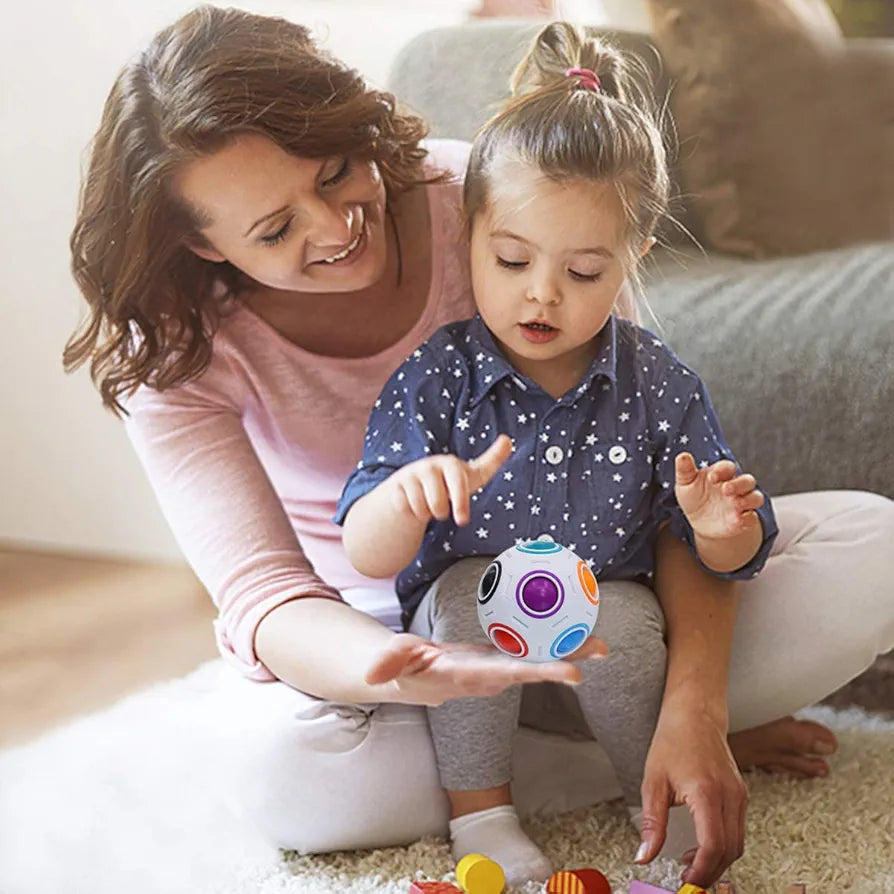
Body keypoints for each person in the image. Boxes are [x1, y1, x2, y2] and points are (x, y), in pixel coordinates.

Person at [63, 5, 894, 889]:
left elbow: (660, 491)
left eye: (338, 171)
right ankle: (567, 764)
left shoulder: (504, 203)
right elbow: (269, 598)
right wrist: (393, 669)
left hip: (606, 593)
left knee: (871, 546)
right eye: (275, 231)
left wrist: (696, 702)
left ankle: (636, 737)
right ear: (201, 243)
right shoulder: (175, 354)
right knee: (296, 778)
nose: (337, 226)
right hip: (386, 625)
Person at [334, 24, 779, 886]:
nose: (541, 292)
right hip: (469, 643)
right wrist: (409, 495)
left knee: (635, 627)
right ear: (470, 238)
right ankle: (484, 811)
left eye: (582, 272)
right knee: (464, 602)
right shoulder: (439, 375)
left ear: (631, 261)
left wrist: (720, 528)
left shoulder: (657, 381)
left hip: (602, 624)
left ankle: (645, 790)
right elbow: (364, 547)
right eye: (511, 260)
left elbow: (727, 559)